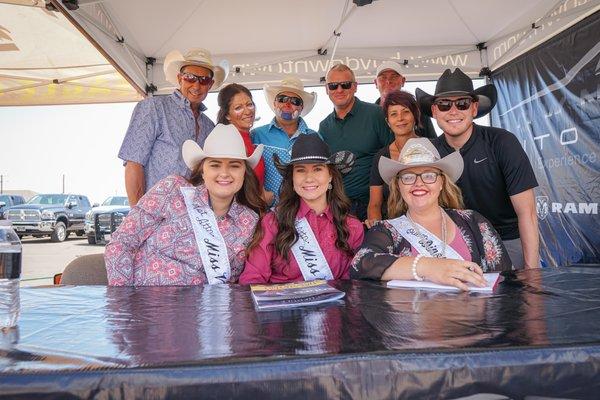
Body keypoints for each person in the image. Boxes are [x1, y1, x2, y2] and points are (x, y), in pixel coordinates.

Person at [105, 124, 267, 286]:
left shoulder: (249, 221)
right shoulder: (172, 190)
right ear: (202, 171)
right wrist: (123, 301)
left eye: (234, 165)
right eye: (215, 165)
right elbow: (121, 243)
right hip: (144, 304)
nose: (224, 173)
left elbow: (234, 282)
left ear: (244, 173)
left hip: (206, 308)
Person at [417, 68, 539, 269]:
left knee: (514, 299)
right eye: (445, 105)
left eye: (462, 104)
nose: (453, 111)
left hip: (506, 241)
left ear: (474, 108)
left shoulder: (502, 142)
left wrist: (532, 271)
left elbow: (528, 213)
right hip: (451, 246)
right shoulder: (429, 153)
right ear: (434, 111)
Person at [351, 138, 512, 291]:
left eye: (429, 175)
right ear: (398, 185)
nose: (418, 183)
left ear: (442, 182)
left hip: (475, 318)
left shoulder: (474, 221)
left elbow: (504, 278)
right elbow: (361, 264)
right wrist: (428, 267)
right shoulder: (385, 230)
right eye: (408, 177)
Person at [240, 135, 364, 284]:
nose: (309, 178)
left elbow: (352, 285)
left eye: (317, 169)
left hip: (333, 306)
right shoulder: (272, 222)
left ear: (330, 175)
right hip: (280, 305)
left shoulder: (352, 226)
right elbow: (252, 278)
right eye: (300, 170)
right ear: (292, 177)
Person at [119, 48, 228, 206]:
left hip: (194, 217)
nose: (196, 86)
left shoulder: (209, 126)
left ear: (210, 84)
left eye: (203, 80)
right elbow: (134, 163)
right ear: (179, 78)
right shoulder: (154, 108)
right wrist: (138, 217)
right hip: (156, 215)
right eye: (190, 77)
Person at [319, 64, 394, 221]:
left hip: (376, 206)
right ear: (327, 89)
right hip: (339, 208)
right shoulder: (324, 126)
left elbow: (393, 156)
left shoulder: (376, 114)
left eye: (345, 85)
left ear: (354, 87)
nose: (339, 90)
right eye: (333, 86)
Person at [251, 75, 319, 205]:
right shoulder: (256, 135)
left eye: (295, 101)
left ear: (301, 107)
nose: (287, 104)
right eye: (282, 99)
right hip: (266, 212)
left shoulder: (314, 138)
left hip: (305, 212)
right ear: (274, 103)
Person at [366, 90, 420, 228]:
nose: (400, 118)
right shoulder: (381, 157)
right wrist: (378, 229)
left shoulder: (433, 148)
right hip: (393, 227)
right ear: (388, 122)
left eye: (406, 112)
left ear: (415, 115)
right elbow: (375, 204)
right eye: (394, 114)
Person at [216, 83, 270, 202]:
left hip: (257, 214)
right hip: (240, 216)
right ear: (227, 115)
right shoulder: (227, 141)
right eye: (238, 108)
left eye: (249, 105)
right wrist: (265, 199)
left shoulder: (251, 138)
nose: (247, 111)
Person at [373, 61, 437, 139]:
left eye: (394, 77)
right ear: (376, 83)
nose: (388, 81)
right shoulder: (370, 115)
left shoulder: (419, 110)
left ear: (403, 81)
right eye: (383, 77)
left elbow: (433, 142)